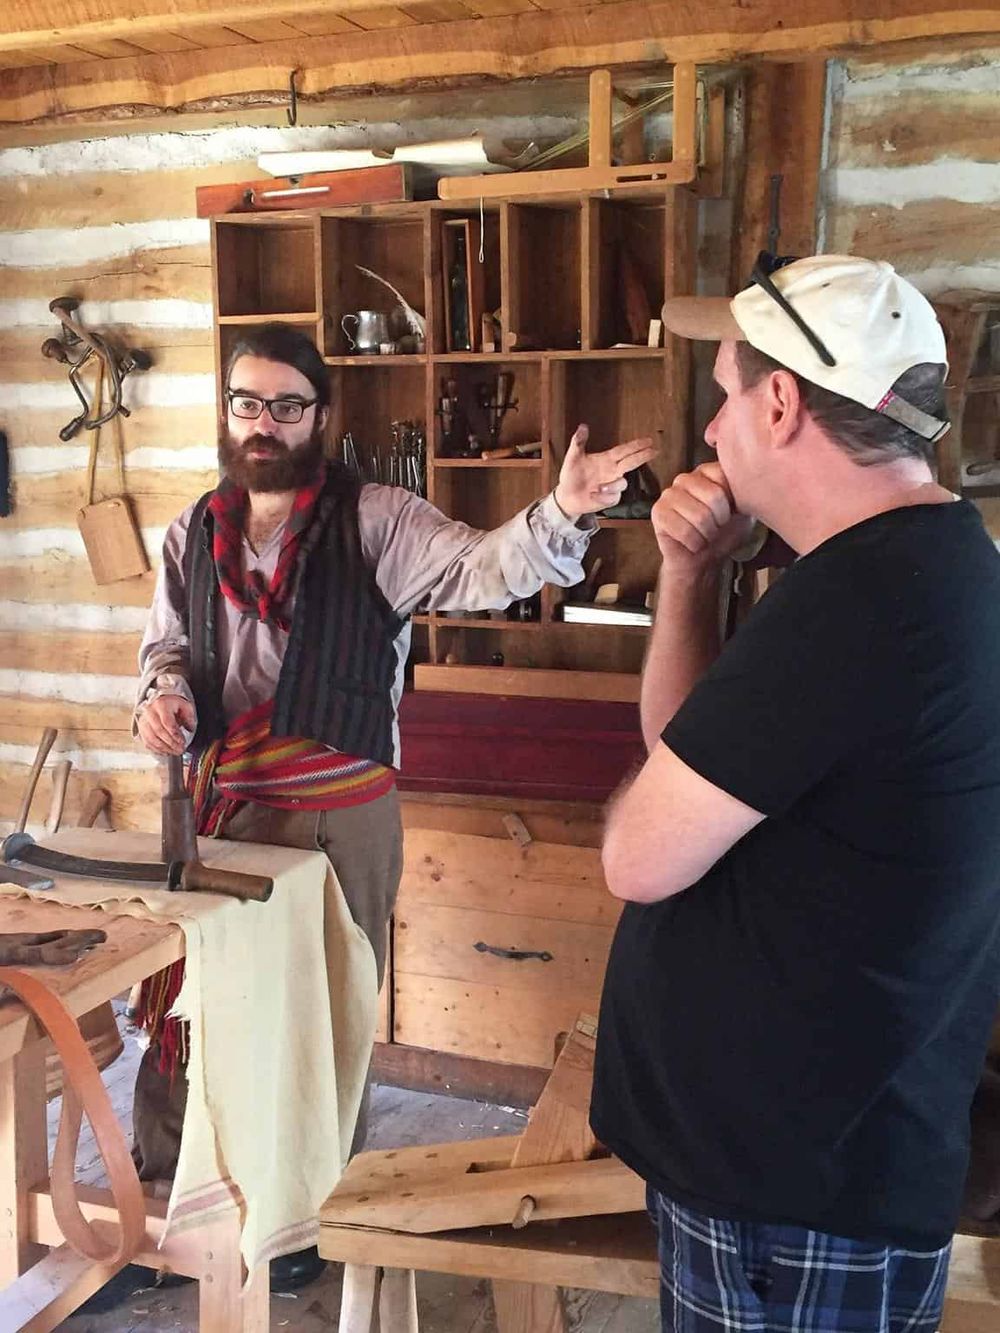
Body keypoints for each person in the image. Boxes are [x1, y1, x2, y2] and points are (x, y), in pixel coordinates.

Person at [130, 321, 654, 1295]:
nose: (265, 422)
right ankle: (171, 1207)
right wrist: (162, 700)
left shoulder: (379, 520)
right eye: (248, 403)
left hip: (340, 815)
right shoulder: (187, 534)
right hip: (218, 806)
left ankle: (299, 1222)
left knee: (319, 1022)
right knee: (192, 1010)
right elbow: (165, 650)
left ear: (318, 417)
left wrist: (561, 512)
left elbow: (488, 569)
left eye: (287, 404)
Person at [591, 255, 1000, 1332]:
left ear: (780, 403)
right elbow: (692, 751)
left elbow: (639, 853)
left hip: (795, 1183)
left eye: (727, 392)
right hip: (819, 1155)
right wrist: (690, 574)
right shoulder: (915, 566)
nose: (715, 429)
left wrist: (643, 801)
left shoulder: (861, 601)